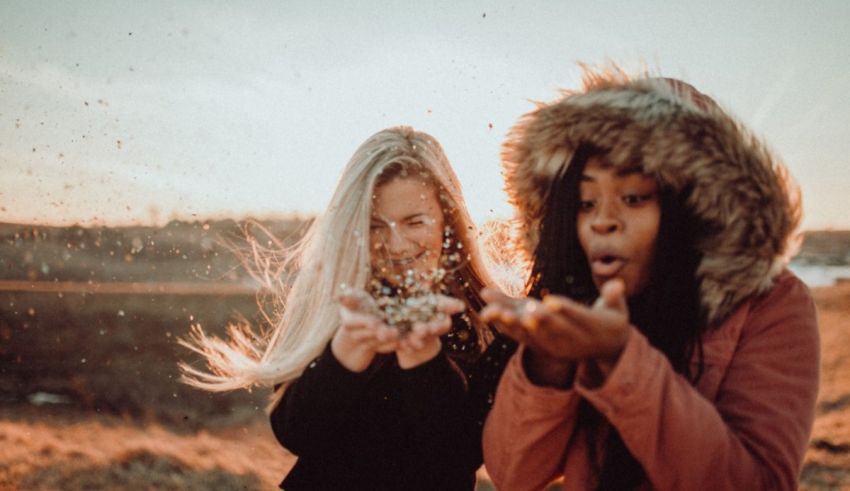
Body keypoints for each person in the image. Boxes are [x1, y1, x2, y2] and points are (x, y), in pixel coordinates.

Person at [480, 67, 819, 491]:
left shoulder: (773, 304)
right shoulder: (576, 300)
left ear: (696, 205)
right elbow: (512, 473)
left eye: (633, 197)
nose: (603, 221)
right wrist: (549, 361)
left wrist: (621, 359)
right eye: (585, 202)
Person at [180, 126, 516, 490]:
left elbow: (463, 453)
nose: (397, 244)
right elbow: (295, 433)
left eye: (414, 222)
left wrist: (423, 359)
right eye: (375, 225)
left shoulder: (485, 313)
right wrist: (347, 352)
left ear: (448, 221)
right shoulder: (334, 301)